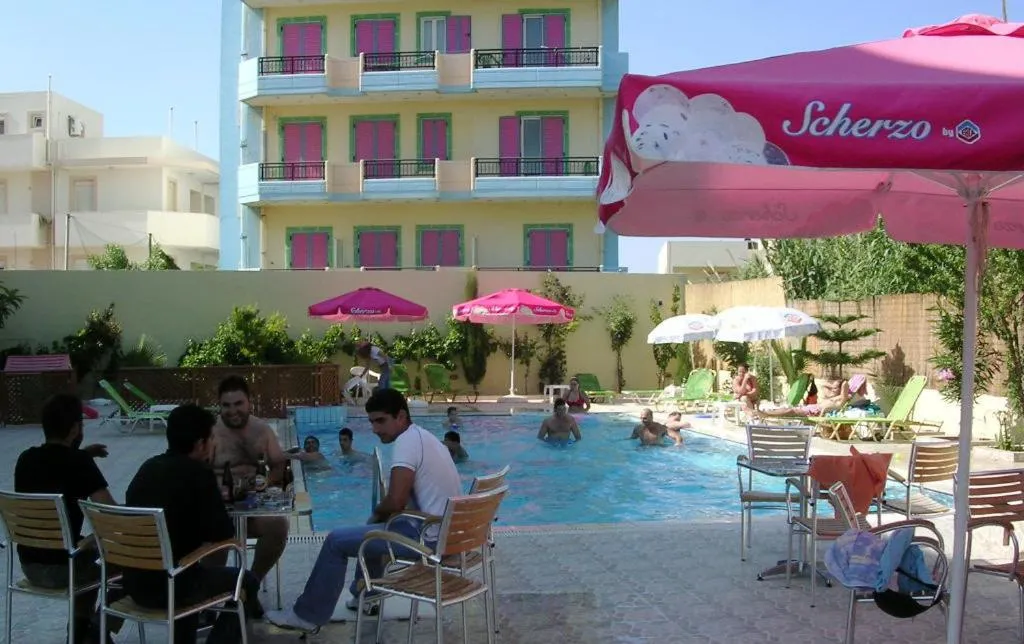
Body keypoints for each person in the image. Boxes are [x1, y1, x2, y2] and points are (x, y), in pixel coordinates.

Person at [266, 388, 462, 632]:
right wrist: (379, 518)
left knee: (336, 541)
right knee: (374, 530)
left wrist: (377, 513)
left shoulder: (407, 443)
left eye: (381, 421)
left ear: (401, 416)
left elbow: (396, 501)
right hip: (445, 534)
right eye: (372, 422)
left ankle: (307, 616)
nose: (375, 429)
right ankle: (365, 596)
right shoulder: (424, 437)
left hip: (429, 540)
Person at [125, 404, 262, 644]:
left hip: (135, 583)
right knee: (247, 581)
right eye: (211, 438)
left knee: (186, 572)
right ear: (200, 444)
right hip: (173, 587)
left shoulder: (147, 468)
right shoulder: (198, 474)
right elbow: (223, 533)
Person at [14, 393, 121, 643]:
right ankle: (95, 630)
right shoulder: (78, 463)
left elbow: (55, 467)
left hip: (30, 565)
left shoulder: (25, 459)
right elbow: (111, 512)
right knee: (129, 558)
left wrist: (84, 455)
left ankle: (79, 633)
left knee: (84, 554)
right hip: (64, 569)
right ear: (74, 428)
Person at [210, 375, 289, 585]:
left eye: (238, 403)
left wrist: (265, 484)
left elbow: (279, 464)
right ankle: (214, 590)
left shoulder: (262, 430)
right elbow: (198, 473)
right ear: (219, 405)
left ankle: (251, 584)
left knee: (278, 526)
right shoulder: (211, 433)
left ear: (249, 402)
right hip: (219, 510)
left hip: (252, 507)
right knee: (211, 535)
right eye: (226, 405)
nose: (233, 410)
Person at [757, 377, 851, 418]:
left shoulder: (840, 400)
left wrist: (844, 383)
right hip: (811, 407)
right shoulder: (833, 397)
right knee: (788, 408)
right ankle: (765, 413)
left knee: (790, 411)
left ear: (841, 389)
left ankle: (766, 414)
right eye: (832, 388)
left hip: (814, 411)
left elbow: (845, 392)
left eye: (835, 388)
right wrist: (833, 386)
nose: (833, 389)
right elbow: (823, 385)